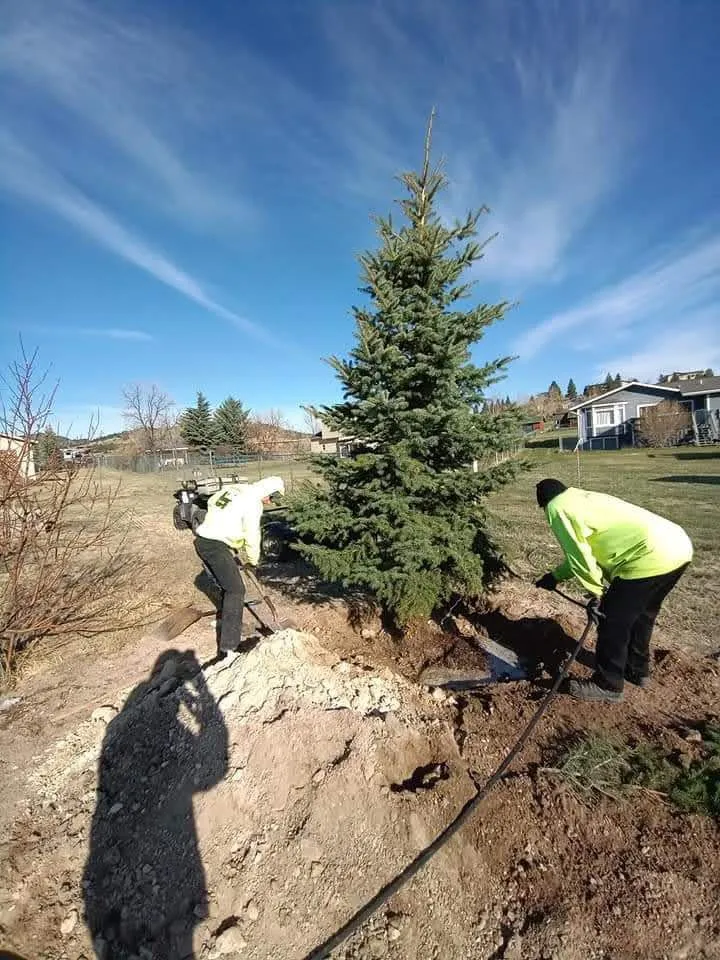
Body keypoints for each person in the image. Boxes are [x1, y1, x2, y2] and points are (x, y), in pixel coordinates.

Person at [534, 478, 692, 703]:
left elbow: (578, 554)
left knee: (611, 620)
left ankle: (608, 684)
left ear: (543, 503)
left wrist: (596, 594)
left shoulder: (557, 508)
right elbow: (587, 548)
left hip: (647, 557)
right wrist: (554, 577)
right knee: (642, 615)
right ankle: (637, 671)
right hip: (677, 547)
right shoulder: (580, 498)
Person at [194, 476, 285, 653]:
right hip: (214, 545)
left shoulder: (239, 488)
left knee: (228, 586)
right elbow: (252, 535)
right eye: (272, 498)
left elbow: (213, 501)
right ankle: (230, 647)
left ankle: (231, 621)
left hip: (203, 540)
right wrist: (253, 561)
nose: (270, 502)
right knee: (236, 590)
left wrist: (227, 527)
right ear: (268, 492)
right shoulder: (253, 503)